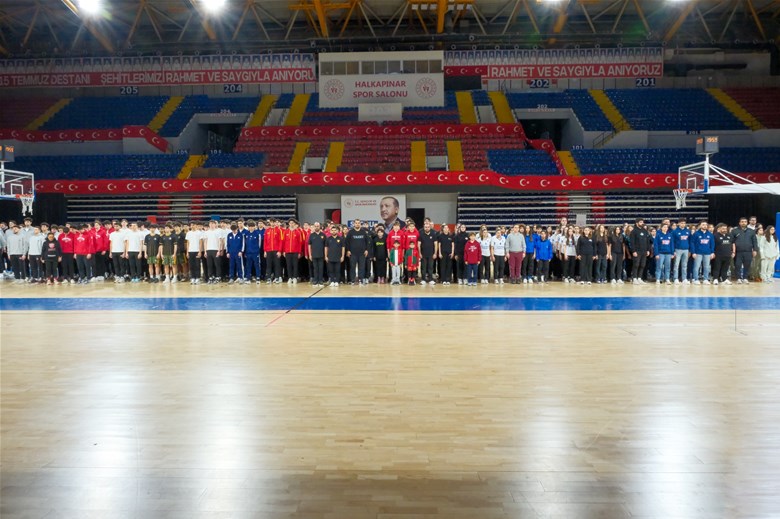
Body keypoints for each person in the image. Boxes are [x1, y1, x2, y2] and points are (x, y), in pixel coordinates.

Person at [730, 217, 758, 284]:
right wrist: (732, 251)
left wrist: (755, 250)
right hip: (738, 252)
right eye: (742, 222)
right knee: (737, 265)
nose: (743, 223)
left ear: (747, 223)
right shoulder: (734, 231)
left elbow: (754, 241)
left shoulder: (751, 231)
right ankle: (738, 278)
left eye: (745, 222)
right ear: (739, 223)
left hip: (748, 252)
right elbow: (731, 242)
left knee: (747, 265)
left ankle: (745, 278)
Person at [345, 219, 370, 285]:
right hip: (352, 253)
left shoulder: (363, 232)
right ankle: (352, 280)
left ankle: (361, 280)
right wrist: (348, 250)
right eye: (356, 223)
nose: (357, 224)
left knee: (361, 267)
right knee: (352, 267)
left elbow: (367, 242)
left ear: (360, 224)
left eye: (358, 223)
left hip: (362, 253)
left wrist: (366, 250)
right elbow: (347, 242)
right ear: (354, 224)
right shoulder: (350, 232)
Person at [690, 220, 715, 284]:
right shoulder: (696, 233)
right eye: (703, 225)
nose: (705, 226)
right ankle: (696, 279)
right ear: (700, 225)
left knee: (706, 267)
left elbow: (712, 244)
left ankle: (705, 279)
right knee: (696, 266)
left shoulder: (710, 234)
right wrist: (693, 252)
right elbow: (692, 243)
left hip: (707, 253)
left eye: (706, 225)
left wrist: (712, 252)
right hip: (698, 253)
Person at [629, 218, 651, 284]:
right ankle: (634, 278)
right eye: (640, 222)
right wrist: (633, 251)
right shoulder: (633, 231)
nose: (642, 223)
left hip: (644, 251)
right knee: (636, 265)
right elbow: (632, 242)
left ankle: (639, 278)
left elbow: (648, 241)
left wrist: (648, 250)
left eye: (642, 222)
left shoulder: (645, 231)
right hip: (637, 251)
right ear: (637, 223)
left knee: (642, 265)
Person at [283, 219, 303, 284]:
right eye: (290, 223)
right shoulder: (286, 232)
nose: (291, 224)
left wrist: (299, 252)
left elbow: (300, 243)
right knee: (288, 265)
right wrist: (284, 251)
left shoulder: (297, 232)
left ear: (294, 224)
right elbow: (284, 242)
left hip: (295, 252)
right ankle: (290, 278)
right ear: (289, 224)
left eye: (292, 223)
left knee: (295, 265)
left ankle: (294, 277)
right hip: (287, 251)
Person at [203, 220, 223, 284]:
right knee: (209, 265)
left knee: (217, 264)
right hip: (208, 250)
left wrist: (219, 250)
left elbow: (220, 242)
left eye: (212, 223)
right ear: (209, 225)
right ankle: (211, 277)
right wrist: (205, 251)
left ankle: (218, 276)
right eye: (210, 224)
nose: (211, 225)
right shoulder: (206, 232)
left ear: (215, 224)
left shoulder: (218, 232)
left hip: (216, 250)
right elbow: (205, 242)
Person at [671, 218, 691, 284]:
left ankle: (684, 278)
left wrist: (690, 250)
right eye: (682, 223)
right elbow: (672, 242)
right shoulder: (675, 231)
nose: (683, 224)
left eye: (684, 223)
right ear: (678, 223)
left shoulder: (688, 231)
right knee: (676, 265)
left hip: (686, 250)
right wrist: (673, 251)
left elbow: (690, 241)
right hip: (677, 249)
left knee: (685, 265)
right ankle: (675, 278)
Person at [418, 221, 438, 285]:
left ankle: (431, 279)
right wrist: (419, 253)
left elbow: (436, 244)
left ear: (430, 227)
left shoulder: (433, 234)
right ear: (424, 228)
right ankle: (423, 279)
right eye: (426, 227)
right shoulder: (421, 235)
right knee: (423, 268)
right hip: (423, 254)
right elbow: (419, 244)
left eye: (428, 227)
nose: (427, 228)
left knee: (430, 267)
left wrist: (435, 253)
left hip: (431, 254)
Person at [244, 220, 263, 284]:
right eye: (250, 226)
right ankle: (248, 278)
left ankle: (258, 277)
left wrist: (257, 251)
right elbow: (245, 244)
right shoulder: (246, 234)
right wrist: (246, 252)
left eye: (252, 226)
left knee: (257, 265)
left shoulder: (257, 234)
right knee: (248, 266)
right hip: (248, 253)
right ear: (248, 227)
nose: (251, 228)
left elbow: (259, 244)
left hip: (255, 253)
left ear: (254, 227)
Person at [308, 222, 326, 287]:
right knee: (315, 268)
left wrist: (325, 255)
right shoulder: (311, 235)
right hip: (314, 255)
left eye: (317, 226)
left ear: (320, 226)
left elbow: (325, 246)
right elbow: (309, 246)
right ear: (314, 227)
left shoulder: (323, 235)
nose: (316, 227)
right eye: (315, 226)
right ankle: (315, 280)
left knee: (321, 268)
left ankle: (320, 280)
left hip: (321, 255)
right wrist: (310, 255)